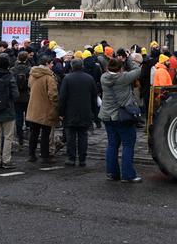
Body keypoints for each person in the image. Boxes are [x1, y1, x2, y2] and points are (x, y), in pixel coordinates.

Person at [99, 52, 143, 183]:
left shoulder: (103, 78)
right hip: (122, 116)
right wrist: (129, 58)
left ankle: (112, 173)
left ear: (108, 68)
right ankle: (128, 175)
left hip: (107, 116)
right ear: (120, 69)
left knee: (112, 145)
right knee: (128, 145)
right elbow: (137, 69)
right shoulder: (123, 78)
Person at [59, 58, 99, 167]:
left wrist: (60, 112)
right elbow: (94, 97)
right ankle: (82, 159)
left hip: (70, 112)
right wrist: (95, 114)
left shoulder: (67, 79)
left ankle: (71, 158)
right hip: (85, 111)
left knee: (70, 136)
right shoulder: (89, 78)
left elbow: (62, 97)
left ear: (72, 66)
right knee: (83, 136)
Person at [26, 53, 59, 163]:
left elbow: (30, 86)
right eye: (51, 63)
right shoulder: (49, 78)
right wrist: (56, 106)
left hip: (33, 108)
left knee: (34, 133)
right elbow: (53, 95)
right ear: (47, 64)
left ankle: (31, 154)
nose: (52, 65)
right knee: (45, 134)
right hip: (45, 109)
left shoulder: (33, 74)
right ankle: (45, 155)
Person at [12, 51, 32, 147]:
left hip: (17, 97)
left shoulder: (13, 70)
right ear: (26, 59)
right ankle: (29, 135)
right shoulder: (30, 70)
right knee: (28, 116)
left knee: (18, 117)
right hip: (27, 96)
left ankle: (20, 138)